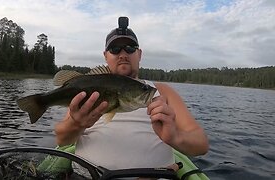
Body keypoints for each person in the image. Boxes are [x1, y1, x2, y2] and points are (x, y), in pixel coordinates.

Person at [55, 16, 209, 170]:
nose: (123, 54)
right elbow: (62, 139)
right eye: (115, 49)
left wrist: (175, 137)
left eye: (130, 48)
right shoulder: (90, 87)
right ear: (105, 56)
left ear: (139, 54)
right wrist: (76, 124)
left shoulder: (163, 92)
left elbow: (201, 145)